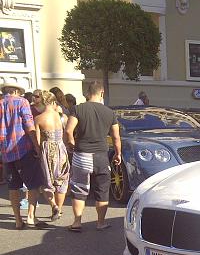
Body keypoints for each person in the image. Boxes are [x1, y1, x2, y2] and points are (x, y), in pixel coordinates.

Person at [64, 81, 122, 232]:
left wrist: (71, 144)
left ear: (87, 93)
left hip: (81, 154)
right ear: (102, 93)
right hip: (101, 156)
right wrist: (118, 154)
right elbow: (116, 138)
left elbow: (68, 131)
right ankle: (100, 223)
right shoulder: (109, 112)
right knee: (102, 189)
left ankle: (77, 222)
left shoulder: (77, 109)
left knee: (79, 189)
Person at [0, 81, 45, 229]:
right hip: (24, 148)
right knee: (33, 183)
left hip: (6, 152)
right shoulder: (22, 102)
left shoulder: (0, 104)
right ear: (16, 91)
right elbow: (29, 124)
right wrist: (37, 146)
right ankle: (31, 216)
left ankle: (18, 220)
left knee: (13, 187)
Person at [35, 90, 70, 221]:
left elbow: (38, 142)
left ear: (43, 102)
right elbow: (66, 135)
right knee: (61, 181)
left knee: (47, 182)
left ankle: (54, 206)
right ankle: (59, 210)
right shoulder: (62, 117)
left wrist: (38, 152)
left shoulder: (39, 118)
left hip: (47, 150)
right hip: (61, 148)